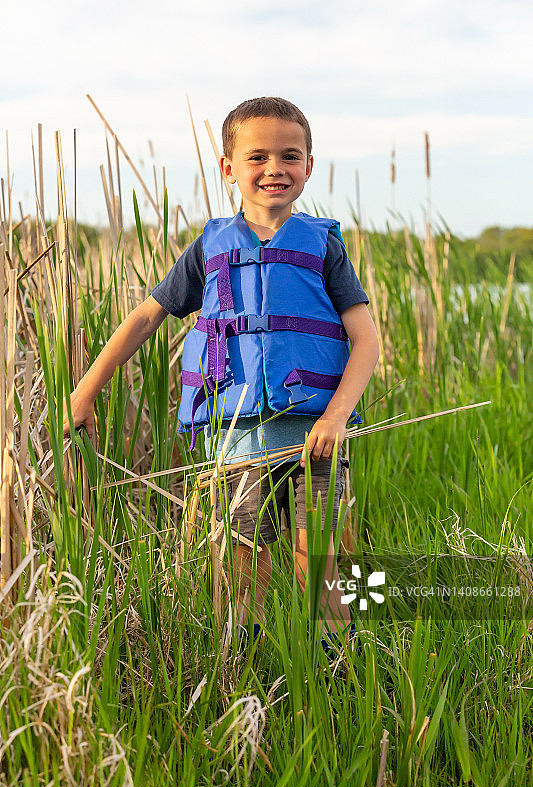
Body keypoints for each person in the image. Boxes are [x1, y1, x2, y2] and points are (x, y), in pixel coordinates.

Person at [64, 96, 380, 655]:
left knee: (322, 558)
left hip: (317, 439)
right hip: (237, 439)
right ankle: (243, 665)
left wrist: (336, 417)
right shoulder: (209, 247)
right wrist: (86, 389)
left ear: (309, 165)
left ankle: (339, 666)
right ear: (228, 167)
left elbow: (367, 340)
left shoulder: (324, 245)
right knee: (242, 561)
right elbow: (145, 318)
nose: (275, 168)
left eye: (290, 156)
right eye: (258, 156)